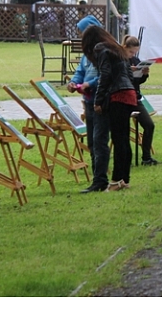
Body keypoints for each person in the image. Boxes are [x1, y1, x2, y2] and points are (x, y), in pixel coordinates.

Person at [87, 26, 137, 191]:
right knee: (124, 139)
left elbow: (105, 75)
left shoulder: (100, 49)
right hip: (129, 93)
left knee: (118, 138)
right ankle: (125, 179)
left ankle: (115, 181)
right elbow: (129, 74)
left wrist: (98, 100)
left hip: (117, 95)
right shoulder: (117, 49)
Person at [68, 16, 106, 193]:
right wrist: (74, 82)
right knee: (91, 141)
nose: (81, 36)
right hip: (88, 101)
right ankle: (96, 176)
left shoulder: (103, 52)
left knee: (99, 140)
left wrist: (90, 84)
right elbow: (80, 71)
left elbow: (106, 76)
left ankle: (101, 179)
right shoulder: (86, 54)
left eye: (83, 33)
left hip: (101, 102)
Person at [122, 35, 158, 165]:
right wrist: (128, 71)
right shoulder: (120, 60)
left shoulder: (135, 60)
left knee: (149, 125)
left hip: (135, 97)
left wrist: (144, 74)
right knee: (123, 129)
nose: (133, 55)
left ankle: (146, 157)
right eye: (131, 52)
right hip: (122, 98)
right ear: (125, 48)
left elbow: (138, 81)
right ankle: (125, 159)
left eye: (135, 52)